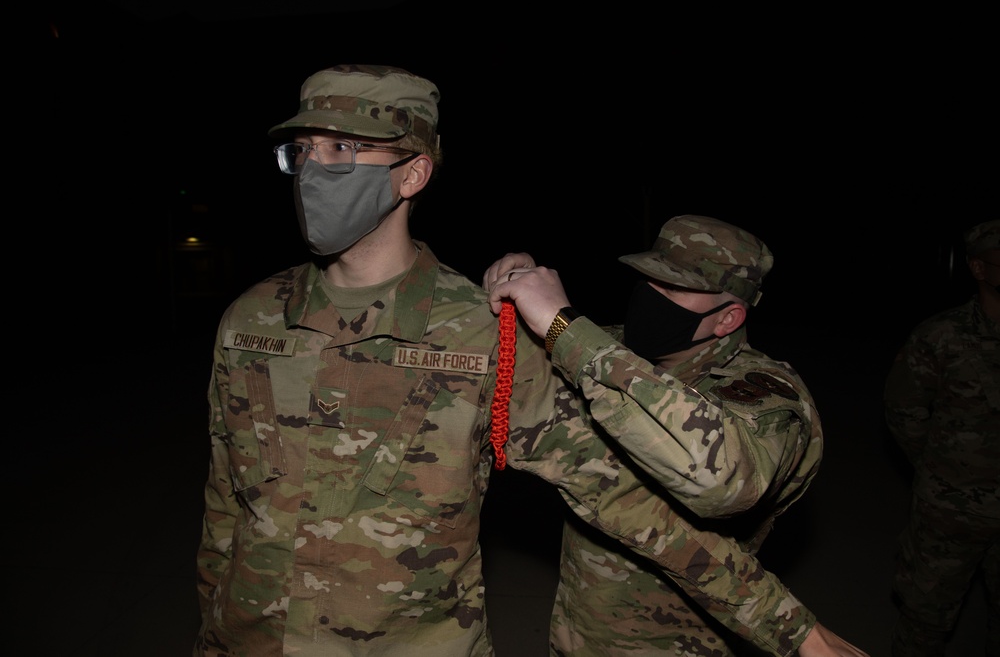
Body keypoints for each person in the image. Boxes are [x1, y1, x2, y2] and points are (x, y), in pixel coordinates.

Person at [194, 64, 864, 657]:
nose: (314, 169)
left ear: (413, 171)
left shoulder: (483, 333)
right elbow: (227, 506)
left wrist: (794, 631)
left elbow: (628, 503)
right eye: (302, 150)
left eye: (342, 148)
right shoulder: (250, 319)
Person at [483, 215, 869, 656]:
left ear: (727, 319)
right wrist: (508, 296)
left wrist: (563, 327)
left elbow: (723, 480)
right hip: (578, 630)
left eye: (672, 290)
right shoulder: (614, 348)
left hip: (674, 642)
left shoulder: (764, 393)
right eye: (649, 280)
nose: (650, 297)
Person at [884, 219, 999, 657]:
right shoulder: (941, 335)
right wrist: (945, 471)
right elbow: (903, 412)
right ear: (978, 268)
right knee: (925, 621)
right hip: (950, 512)